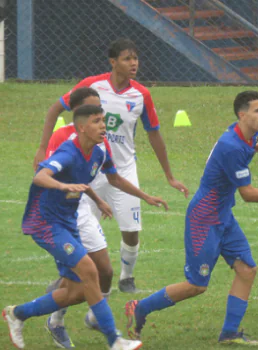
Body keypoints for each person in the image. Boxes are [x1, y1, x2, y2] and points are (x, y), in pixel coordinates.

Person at [124, 91, 258, 346]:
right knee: (196, 285)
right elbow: (249, 194)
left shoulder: (244, 131)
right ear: (242, 115)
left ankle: (230, 333)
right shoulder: (231, 147)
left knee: (247, 270)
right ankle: (139, 308)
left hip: (223, 215)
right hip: (204, 219)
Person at [3, 105, 168, 349]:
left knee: (77, 292)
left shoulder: (99, 152)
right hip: (46, 223)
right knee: (91, 272)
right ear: (82, 127)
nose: (103, 125)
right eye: (96, 121)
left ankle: (17, 314)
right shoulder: (68, 152)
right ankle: (114, 340)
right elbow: (40, 176)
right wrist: (62, 187)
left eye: (103, 120)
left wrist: (142, 197)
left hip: (68, 222)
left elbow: (112, 179)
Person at [33, 38, 189, 294]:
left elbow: (154, 133)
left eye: (136, 58)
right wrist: (41, 149)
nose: (133, 63)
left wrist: (169, 176)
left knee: (131, 229)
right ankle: (67, 280)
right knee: (82, 231)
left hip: (122, 170)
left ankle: (127, 278)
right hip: (89, 172)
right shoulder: (91, 86)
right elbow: (54, 110)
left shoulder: (141, 95)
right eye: (127, 58)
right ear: (113, 61)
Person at [43, 87, 116, 348]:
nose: (99, 116)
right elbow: (48, 176)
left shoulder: (100, 142)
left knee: (105, 270)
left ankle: (96, 315)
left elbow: (87, 176)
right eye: (93, 111)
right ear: (78, 114)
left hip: (82, 207)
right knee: (81, 274)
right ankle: (55, 319)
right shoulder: (61, 139)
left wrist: (98, 200)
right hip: (61, 212)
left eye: (100, 110)